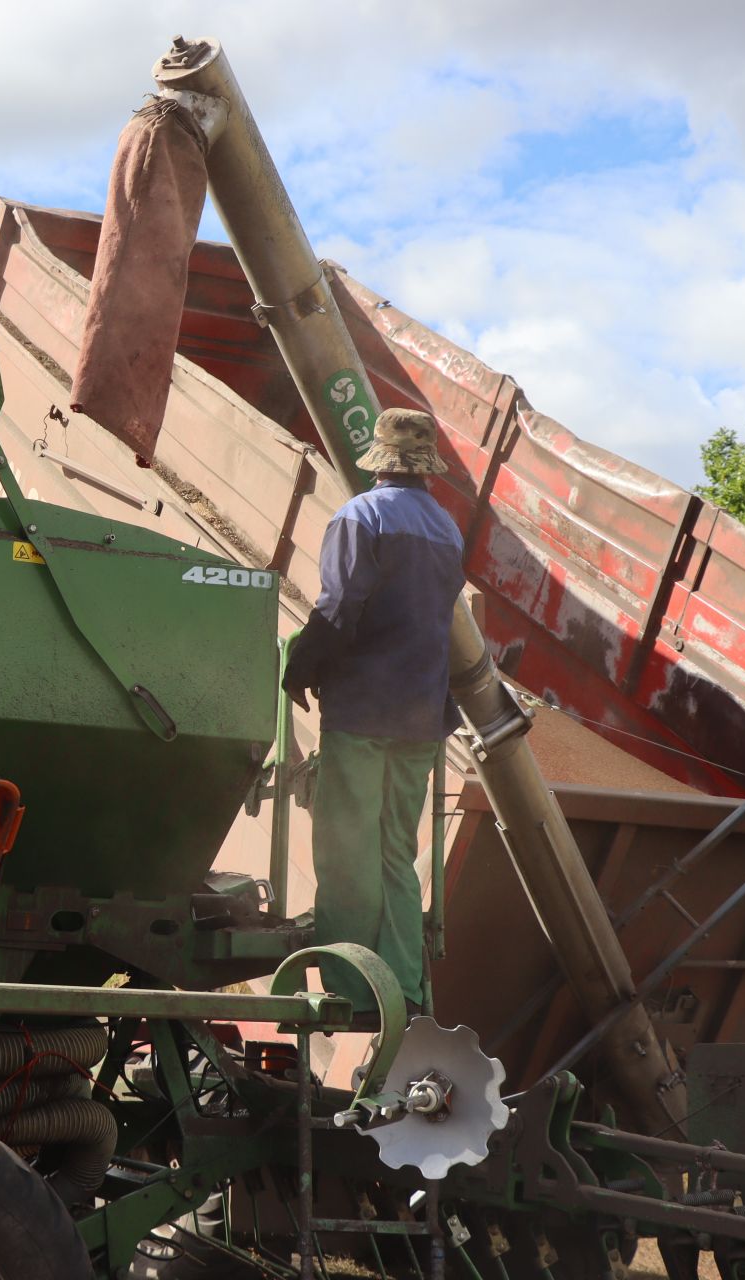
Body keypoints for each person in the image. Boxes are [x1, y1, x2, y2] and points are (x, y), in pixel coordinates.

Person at [282, 407, 464, 1016]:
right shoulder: (446, 528)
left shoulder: (360, 517)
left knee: (345, 847)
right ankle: (404, 991)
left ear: (379, 463)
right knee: (394, 853)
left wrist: (299, 667)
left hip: (361, 709)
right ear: (425, 468)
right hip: (421, 717)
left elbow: (339, 608)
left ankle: (350, 990)